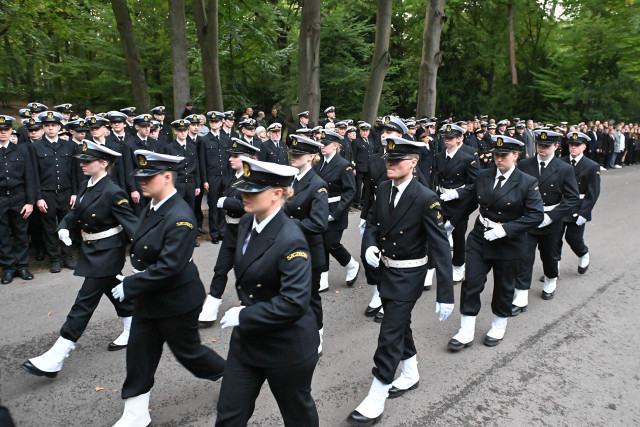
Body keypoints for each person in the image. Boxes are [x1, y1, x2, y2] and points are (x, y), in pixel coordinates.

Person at [110, 150, 225, 426]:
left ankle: (234, 375)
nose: (142, 182)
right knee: (139, 353)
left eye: (149, 177)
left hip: (176, 301)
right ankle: (135, 413)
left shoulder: (180, 216)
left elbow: (170, 266)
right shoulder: (153, 206)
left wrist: (131, 284)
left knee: (189, 353)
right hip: (151, 297)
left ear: (166, 177)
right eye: (141, 177)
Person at [347, 137, 454, 426]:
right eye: (388, 160)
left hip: (410, 275)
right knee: (400, 324)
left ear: (413, 163)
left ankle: (377, 394)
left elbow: (441, 248)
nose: (390, 164)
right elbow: (373, 223)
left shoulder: (425, 197)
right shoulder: (383, 188)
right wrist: (368, 245)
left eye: (397, 160)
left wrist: (445, 293)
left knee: (390, 332)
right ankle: (411, 373)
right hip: (386, 272)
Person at [215, 157, 319, 426]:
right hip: (248, 342)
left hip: (285, 345)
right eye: (243, 189)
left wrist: (244, 316)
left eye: (253, 191)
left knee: (297, 415)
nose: (243, 195)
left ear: (276, 194)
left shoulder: (291, 238)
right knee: (229, 414)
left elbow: (294, 302)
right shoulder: (249, 223)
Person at [23, 141, 139, 379]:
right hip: (93, 250)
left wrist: (153, 256)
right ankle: (133, 327)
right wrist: (65, 226)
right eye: (82, 161)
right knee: (114, 289)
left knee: (83, 303)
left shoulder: (113, 191)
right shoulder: (89, 184)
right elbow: (75, 213)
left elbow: (134, 228)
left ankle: (57, 355)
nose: (83, 164)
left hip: (108, 253)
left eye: (88, 161)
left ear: (104, 164)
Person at [448, 135, 543, 351]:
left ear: (515, 156)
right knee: (471, 282)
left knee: (503, 285)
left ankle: (499, 325)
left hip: (508, 242)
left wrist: (505, 229)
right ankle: (466, 330)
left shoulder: (527, 182)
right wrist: (451, 224)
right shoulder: (484, 175)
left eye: (504, 155)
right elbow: (470, 201)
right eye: (496, 155)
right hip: (481, 237)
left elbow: (535, 215)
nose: (498, 159)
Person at [513, 129, 579, 312]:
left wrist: (551, 217)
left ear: (556, 147)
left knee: (549, 255)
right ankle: (521, 292)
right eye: (540, 145)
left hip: (552, 218)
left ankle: (550, 279)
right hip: (529, 218)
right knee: (524, 256)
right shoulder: (525, 164)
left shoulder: (564, 168)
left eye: (547, 146)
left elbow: (571, 198)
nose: (542, 149)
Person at [199, 138, 260, 325]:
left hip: (247, 232)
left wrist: (227, 202)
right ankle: (210, 309)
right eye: (231, 155)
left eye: (235, 156)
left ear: (247, 158)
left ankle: (253, 306)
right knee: (220, 269)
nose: (230, 159)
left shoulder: (253, 178)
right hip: (231, 231)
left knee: (247, 273)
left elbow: (253, 206)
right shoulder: (234, 175)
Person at [285, 134, 329, 354]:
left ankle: (318, 334)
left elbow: (319, 224)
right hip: (289, 249)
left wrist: (291, 224)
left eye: (299, 154)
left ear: (311, 156)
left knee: (311, 297)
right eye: (292, 153)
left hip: (310, 251)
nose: (294, 156)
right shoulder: (290, 178)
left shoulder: (318, 184)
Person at [32, 111, 78, 273]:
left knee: (68, 225)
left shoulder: (69, 146)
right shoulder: (36, 147)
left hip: (66, 193)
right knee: (50, 227)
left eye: (53, 125)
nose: (50, 128)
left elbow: (74, 172)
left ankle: (67, 256)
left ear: (59, 127)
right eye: (47, 126)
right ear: (43, 127)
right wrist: (38, 197)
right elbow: (34, 175)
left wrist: (75, 193)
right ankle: (54, 259)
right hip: (47, 194)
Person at [434, 123, 479, 282]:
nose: (447, 140)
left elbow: (474, 183)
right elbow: (437, 177)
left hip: (460, 202)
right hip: (442, 199)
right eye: (445, 137)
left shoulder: (469, 155)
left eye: (451, 137)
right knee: (436, 233)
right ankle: (432, 266)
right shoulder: (439, 155)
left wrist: (457, 193)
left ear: (459, 138)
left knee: (459, 236)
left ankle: (458, 265)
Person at [314, 129, 359, 292]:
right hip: (320, 210)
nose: (322, 147)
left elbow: (350, 192)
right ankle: (323, 279)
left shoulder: (343, 165)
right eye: (321, 144)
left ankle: (351, 264)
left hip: (335, 209)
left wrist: (336, 213)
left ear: (335, 146)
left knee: (331, 243)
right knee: (320, 244)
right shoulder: (319, 164)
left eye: (325, 144)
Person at [557, 131, 601, 274]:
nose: (573, 147)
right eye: (571, 145)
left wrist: (584, 212)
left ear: (584, 147)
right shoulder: (560, 162)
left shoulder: (591, 166)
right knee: (553, 240)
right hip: (559, 206)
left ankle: (583, 253)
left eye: (577, 145)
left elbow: (593, 193)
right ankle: (552, 269)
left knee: (573, 238)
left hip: (578, 207)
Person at [0, 116, 36, 285]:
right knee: (3, 234)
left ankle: (22, 266)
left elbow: (29, 177)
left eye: (5, 130)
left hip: (19, 197)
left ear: (10, 131)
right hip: (0, 198)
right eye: (0, 130)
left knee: (21, 233)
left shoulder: (21, 150)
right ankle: (8, 268)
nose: (2, 133)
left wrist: (30, 202)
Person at [200, 111, 231, 243]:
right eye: (212, 121)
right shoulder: (204, 140)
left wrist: (230, 177)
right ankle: (214, 233)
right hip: (212, 177)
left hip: (224, 176)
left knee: (223, 206)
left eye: (216, 121)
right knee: (213, 206)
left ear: (221, 123)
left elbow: (230, 160)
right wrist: (205, 180)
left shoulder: (226, 139)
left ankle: (223, 231)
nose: (214, 123)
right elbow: (202, 162)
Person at [163, 119, 201, 217]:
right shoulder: (169, 148)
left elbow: (196, 166)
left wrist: (197, 185)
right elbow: (167, 169)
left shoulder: (192, 146)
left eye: (185, 130)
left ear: (188, 130)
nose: (183, 133)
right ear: (175, 131)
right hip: (177, 184)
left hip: (190, 184)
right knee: (177, 210)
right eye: (180, 130)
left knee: (190, 210)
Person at [352, 122, 374, 210]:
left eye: (366, 131)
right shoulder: (356, 141)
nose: (365, 133)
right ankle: (356, 202)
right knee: (358, 186)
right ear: (360, 132)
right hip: (359, 168)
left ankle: (364, 201)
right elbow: (353, 155)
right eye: (363, 131)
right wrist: (354, 167)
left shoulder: (371, 141)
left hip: (368, 168)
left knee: (367, 186)